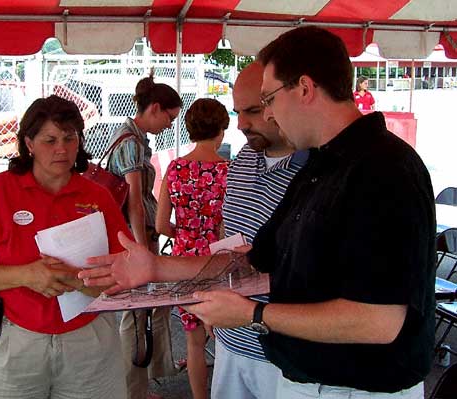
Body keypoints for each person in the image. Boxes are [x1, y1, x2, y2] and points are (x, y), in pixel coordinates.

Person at [80, 26, 436, 399]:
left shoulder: (382, 169)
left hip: (358, 388)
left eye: (268, 99)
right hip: (306, 376)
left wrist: (252, 314)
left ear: (304, 88)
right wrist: (157, 268)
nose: (268, 114)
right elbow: (253, 261)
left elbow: (379, 320)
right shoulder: (320, 164)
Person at [0, 95, 131, 399]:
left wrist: (77, 279)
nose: (62, 148)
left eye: (70, 138)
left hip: (87, 341)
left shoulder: (97, 197)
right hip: (8, 341)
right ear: (28, 143)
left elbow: (126, 271)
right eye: (50, 140)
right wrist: (27, 275)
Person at [211, 61, 307, 399]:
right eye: (237, 112)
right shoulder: (243, 160)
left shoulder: (317, 172)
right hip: (230, 339)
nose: (241, 124)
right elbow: (229, 233)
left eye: (252, 110)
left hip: (282, 353)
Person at [106, 70, 183, 399]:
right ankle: (133, 390)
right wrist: (142, 250)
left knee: (146, 309)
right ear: (154, 108)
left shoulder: (132, 138)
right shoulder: (132, 144)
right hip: (137, 238)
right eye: (169, 117)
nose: (170, 125)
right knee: (135, 316)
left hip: (140, 235)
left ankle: (147, 376)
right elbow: (135, 203)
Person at [155, 97, 229, 399]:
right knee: (226, 338)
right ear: (221, 130)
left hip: (183, 261)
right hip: (219, 261)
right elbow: (230, 226)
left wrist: (186, 233)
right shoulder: (229, 171)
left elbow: (160, 226)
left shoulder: (174, 169)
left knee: (194, 343)